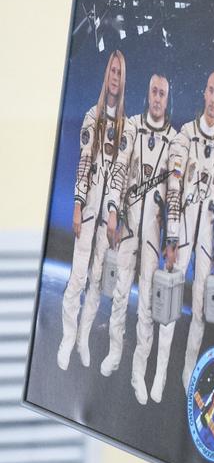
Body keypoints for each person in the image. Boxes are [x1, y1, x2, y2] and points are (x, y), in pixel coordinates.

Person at [59, 50, 135, 370]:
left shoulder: (127, 128)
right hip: (89, 209)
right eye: (112, 71)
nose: (115, 77)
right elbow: (84, 163)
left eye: (120, 72)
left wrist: (114, 213)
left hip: (107, 217)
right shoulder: (93, 117)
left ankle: (83, 339)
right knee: (77, 276)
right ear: (106, 75)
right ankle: (67, 338)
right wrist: (77, 205)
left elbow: (119, 174)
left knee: (96, 281)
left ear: (123, 79)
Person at [159, 71, 214, 401]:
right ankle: (161, 372)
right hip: (185, 228)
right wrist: (171, 238)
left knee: (200, 308)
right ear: (204, 94)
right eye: (210, 91)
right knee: (171, 298)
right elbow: (174, 187)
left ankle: (188, 371)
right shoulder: (186, 135)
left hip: (206, 236)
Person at [108, 74, 180, 402]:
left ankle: (139, 372)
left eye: (162, 93)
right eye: (154, 91)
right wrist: (113, 210)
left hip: (152, 231)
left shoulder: (174, 141)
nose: (157, 98)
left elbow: (175, 191)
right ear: (148, 94)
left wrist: (172, 238)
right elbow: (119, 170)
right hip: (128, 224)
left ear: (167, 98)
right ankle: (114, 353)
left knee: (147, 305)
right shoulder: (132, 127)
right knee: (120, 292)